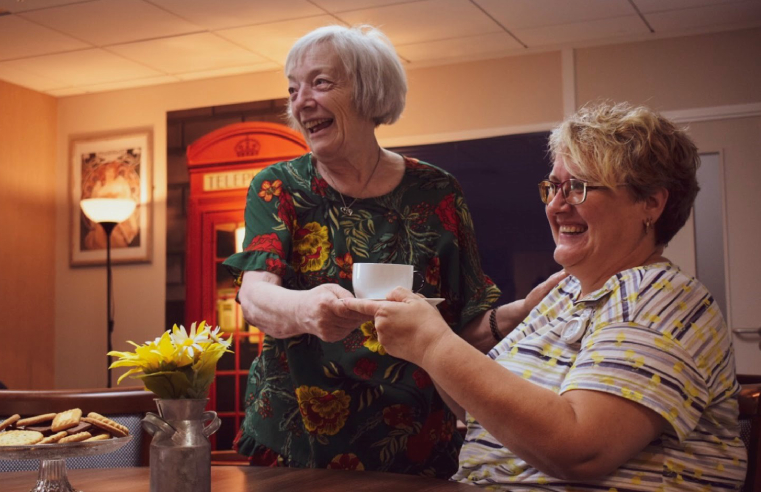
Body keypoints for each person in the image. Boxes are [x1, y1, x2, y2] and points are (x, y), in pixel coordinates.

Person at [345, 102, 747, 490]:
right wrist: (422, 341)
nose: (557, 205)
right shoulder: (565, 293)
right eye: (553, 187)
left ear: (651, 203)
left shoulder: (664, 299)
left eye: (578, 188)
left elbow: (581, 451)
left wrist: (433, 344)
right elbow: (477, 409)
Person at [223, 24, 562, 477]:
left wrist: (520, 311)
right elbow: (255, 295)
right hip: (297, 445)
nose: (300, 101)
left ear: (369, 91)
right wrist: (307, 309)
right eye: (292, 89)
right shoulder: (279, 186)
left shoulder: (437, 189)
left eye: (320, 82)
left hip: (418, 445)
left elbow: (459, 328)